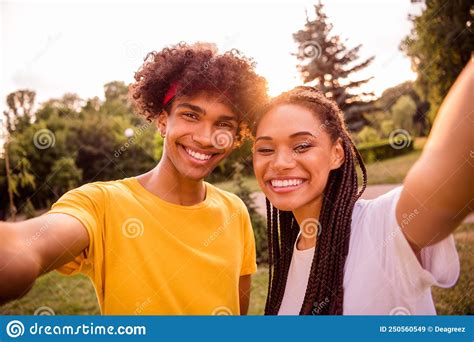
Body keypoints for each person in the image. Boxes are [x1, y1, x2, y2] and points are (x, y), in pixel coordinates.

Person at [0, 42, 268, 315]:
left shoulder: (235, 210)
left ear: (236, 136)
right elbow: (27, 246)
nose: (204, 137)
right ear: (163, 121)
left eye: (223, 124)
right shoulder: (101, 203)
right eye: (190, 115)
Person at [252, 60, 473, 315]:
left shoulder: (382, 228)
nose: (279, 163)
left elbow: (447, 179)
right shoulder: (290, 254)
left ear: (337, 154)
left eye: (302, 145)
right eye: (265, 149)